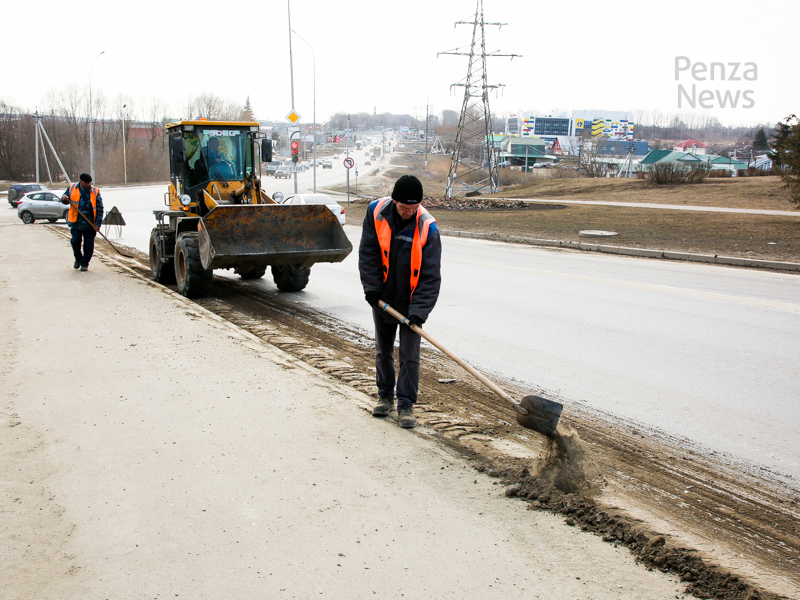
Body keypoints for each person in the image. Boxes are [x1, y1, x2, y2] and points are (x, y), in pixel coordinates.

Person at [359, 175, 442, 429]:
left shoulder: (428, 227)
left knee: (409, 355)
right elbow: (368, 253)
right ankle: (385, 396)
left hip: (411, 301)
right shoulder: (376, 213)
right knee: (383, 349)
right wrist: (372, 289)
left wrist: (419, 312)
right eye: (405, 207)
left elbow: (430, 277)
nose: (409, 212)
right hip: (383, 298)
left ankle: (406, 404)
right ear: (394, 201)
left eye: (414, 207)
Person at [61, 173, 103, 271]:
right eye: (85, 183)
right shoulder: (72, 188)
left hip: (90, 224)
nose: (88, 185)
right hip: (76, 222)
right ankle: (78, 258)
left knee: (88, 245)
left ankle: (85, 263)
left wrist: (98, 223)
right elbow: (64, 199)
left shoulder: (95, 191)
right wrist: (64, 199)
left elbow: (100, 208)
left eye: (89, 183)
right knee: (75, 241)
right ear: (80, 181)